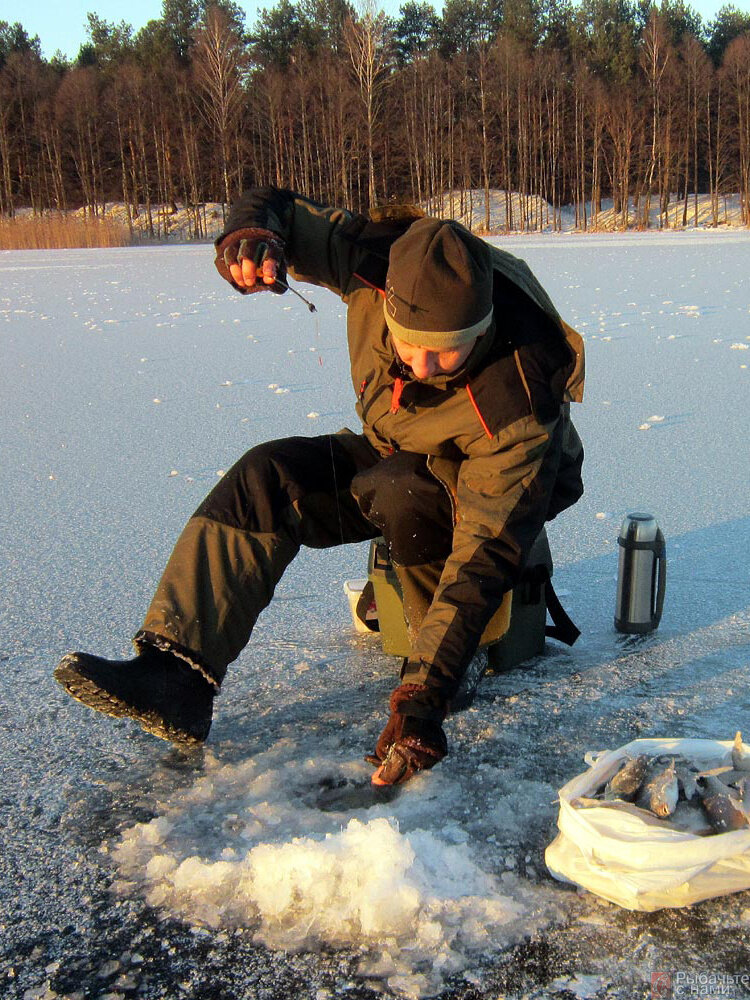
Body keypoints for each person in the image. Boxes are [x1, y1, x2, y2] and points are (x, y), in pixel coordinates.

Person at [55, 187, 585, 786]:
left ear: (483, 327)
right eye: (409, 347)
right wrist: (253, 236)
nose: (422, 367)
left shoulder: (518, 399)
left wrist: (424, 697)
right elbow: (272, 204)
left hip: (498, 482)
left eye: (447, 355)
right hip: (396, 448)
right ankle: (176, 677)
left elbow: (487, 548)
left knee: (403, 490)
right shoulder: (371, 257)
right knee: (267, 478)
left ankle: (441, 661)